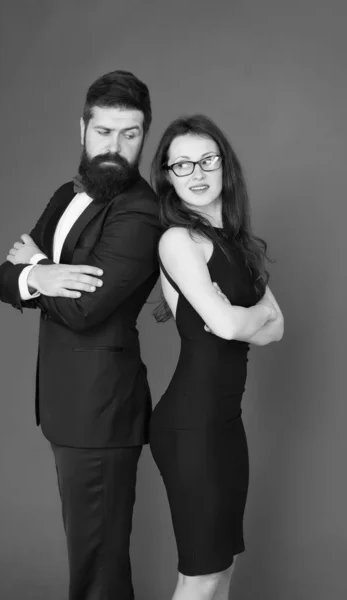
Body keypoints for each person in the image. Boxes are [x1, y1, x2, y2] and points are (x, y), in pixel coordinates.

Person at [0, 70, 161, 600]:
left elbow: (87, 310)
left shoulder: (141, 212)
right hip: (67, 408)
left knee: (99, 569)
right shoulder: (66, 193)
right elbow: (5, 276)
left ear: (144, 136)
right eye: (105, 131)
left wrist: (36, 265)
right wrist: (37, 275)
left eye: (130, 134)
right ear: (83, 130)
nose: (116, 146)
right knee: (91, 559)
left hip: (102, 413)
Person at [149, 115, 284, 600]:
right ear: (167, 175)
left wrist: (241, 318)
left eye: (207, 159)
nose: (197, 172)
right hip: (190, 427)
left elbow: (278, 327)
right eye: (181, 164)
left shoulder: (238, 244)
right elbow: (234, 326)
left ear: (225, 165)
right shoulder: (178, 240)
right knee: (201, 576)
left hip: (226, 425)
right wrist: (251, 317)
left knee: (221, 570)